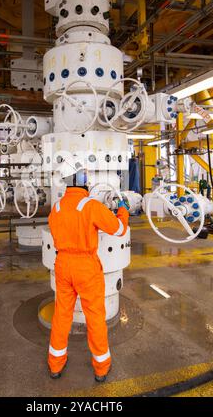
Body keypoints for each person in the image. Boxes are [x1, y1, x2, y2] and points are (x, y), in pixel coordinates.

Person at [47, 161, 130, 382]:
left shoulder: (55, 208)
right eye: (85, 175)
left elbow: (58, 235)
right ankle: (101, 368)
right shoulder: (91, 206)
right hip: (86, 267)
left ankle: (55, 364)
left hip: (63, 265)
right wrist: (123, 211)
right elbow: (119, 230)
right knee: (94, 316)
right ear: (81, 180)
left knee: (62, 315)